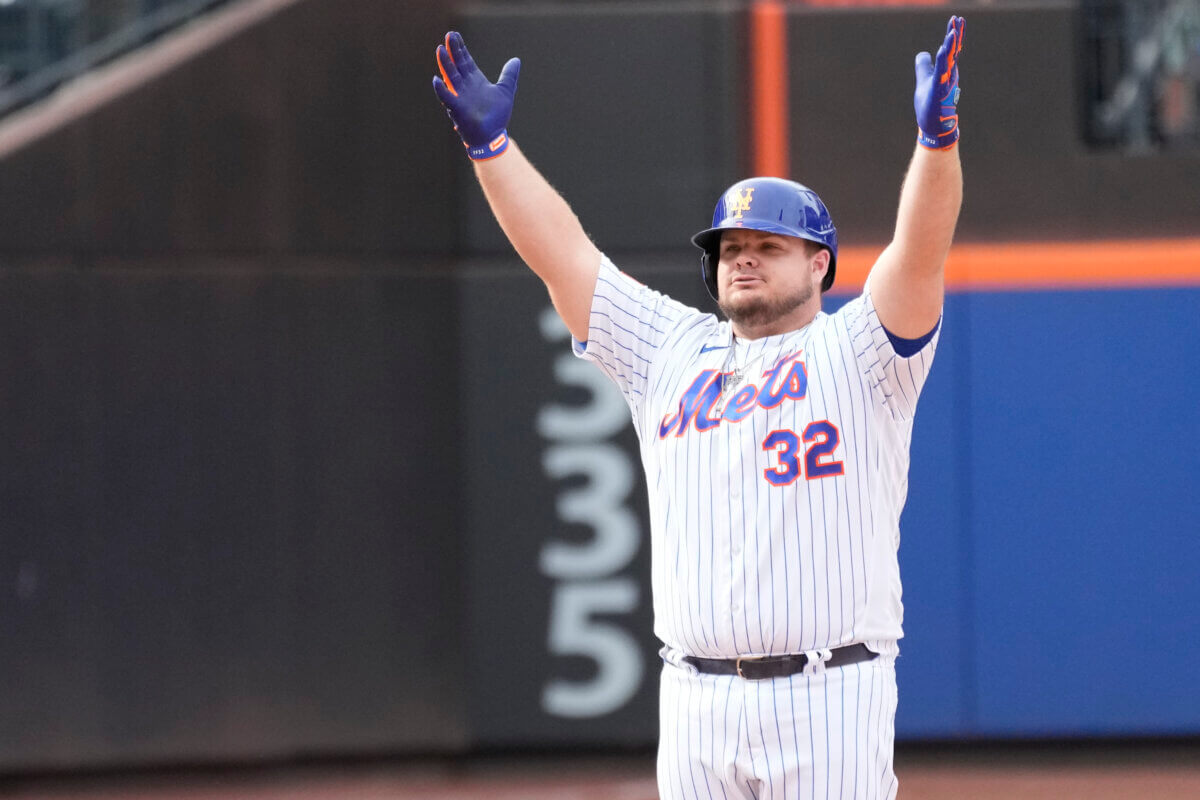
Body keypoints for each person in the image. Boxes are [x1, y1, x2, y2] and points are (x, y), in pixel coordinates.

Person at [434, 15, 964, 799]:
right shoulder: (669, 349)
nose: (742, 257)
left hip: (828, 694)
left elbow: (919, 251)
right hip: (693, 700)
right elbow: (563, 254)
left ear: (820, 264)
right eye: (730, 248)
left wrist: (936, 145)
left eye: (767, 245)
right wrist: (492, 150)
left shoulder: (861, 350)